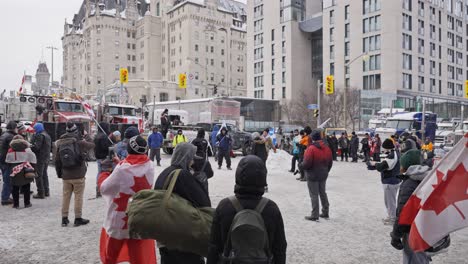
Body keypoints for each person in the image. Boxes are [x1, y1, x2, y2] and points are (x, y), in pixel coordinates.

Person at [207, 155, 287, 264]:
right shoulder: (271, 208)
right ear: (263, 177)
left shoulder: (224, 206)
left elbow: (214, 246)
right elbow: (279, 248)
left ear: (238, 175)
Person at [98, 135, 157, 264]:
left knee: (111, 257)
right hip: (139, 218)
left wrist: (104, 172)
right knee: (138, 258)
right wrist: (120, 163)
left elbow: (104, 188)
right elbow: (133, 170)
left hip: (120, 219)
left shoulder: (121, 169)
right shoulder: (150, 166)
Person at [154, 143, 210, 263]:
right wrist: (200, 182)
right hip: (181, 236)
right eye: (192, 158)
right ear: (186, 157)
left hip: (164, 236)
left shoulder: (165, 173)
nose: (193, 162)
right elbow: (205, 203)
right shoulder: (182, 175)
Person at [391, 149, 431, 264]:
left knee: (413, 259)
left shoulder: (410, 183)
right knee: (421, 259)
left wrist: (396, 234)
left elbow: (403, 212)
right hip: (425, 229)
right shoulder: (427, 178)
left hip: (412, 231)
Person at [55, 122, 95, 227]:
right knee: (78, 197)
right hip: (79, 175)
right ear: (76, 131)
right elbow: (92, 144)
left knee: (66, 196)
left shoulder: (60, 143)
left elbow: (57, 161)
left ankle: (64, 219)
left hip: (66, 175)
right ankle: (78, 218)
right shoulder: (80, 143)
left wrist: (60, 174)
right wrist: (86, 135)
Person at [367, 138, 401, 225]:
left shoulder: (392, 155)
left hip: (390, 181)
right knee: (389, 201)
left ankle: (392, 219)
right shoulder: (395, 153)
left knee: (390, 201)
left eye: (384, 148)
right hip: (393, 180)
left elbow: (384, 166)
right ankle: (390, 216)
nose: (383, 149)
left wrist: (375, 164)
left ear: (387, 147)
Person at [302, 131, 333, 222]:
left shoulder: (311, 148)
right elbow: (330, 162)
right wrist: (326, 171)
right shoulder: (327, 148)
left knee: (314, 194)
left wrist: (301, 165)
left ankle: (315, 215)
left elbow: (307, 163)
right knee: (322, 193)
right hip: (323, 174)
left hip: (312, 174)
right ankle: (325, 211)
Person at [6, 135, 37, 209]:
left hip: (14, 170)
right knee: (26, 186)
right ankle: (27, 203)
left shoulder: (10, 150)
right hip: (25, 169)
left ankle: (16, 204)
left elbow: (7, 161)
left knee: (15, 187)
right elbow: (33, 159)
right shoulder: (27, 149)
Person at [30, 123, 52, 199]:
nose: (34, 130)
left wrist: (30, 146)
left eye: (35, 129)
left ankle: (40, 193)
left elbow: (36, 147)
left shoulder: (40, 135)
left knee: (38, 175)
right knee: (44, 175)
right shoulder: (47, 135)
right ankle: (46, 191)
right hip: (46, 158)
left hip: (40, 158)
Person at [0, 121, 18, 206]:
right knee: (7, 180)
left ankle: (6, 196)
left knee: (6, 179)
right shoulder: (11, 136)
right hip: (7, 160)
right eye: (16, 127)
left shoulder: (4, 134)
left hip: (2, 159)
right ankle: (5, 198)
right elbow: (14, 148)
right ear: (13, 128)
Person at [192, 128, 214, 194]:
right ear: (204, 134)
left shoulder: (194, 141)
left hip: (194, 165)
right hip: (204, 161)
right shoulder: (206, 141)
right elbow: (210, 152)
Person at [94, 122, 113, 198]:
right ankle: (101, 189)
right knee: (104, 174)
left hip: (98, 157)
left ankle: (99, 189)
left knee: (99, 173)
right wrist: (111, 146)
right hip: (103, 158)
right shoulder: (104, 137)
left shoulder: (97, 135)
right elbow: (105, 148)